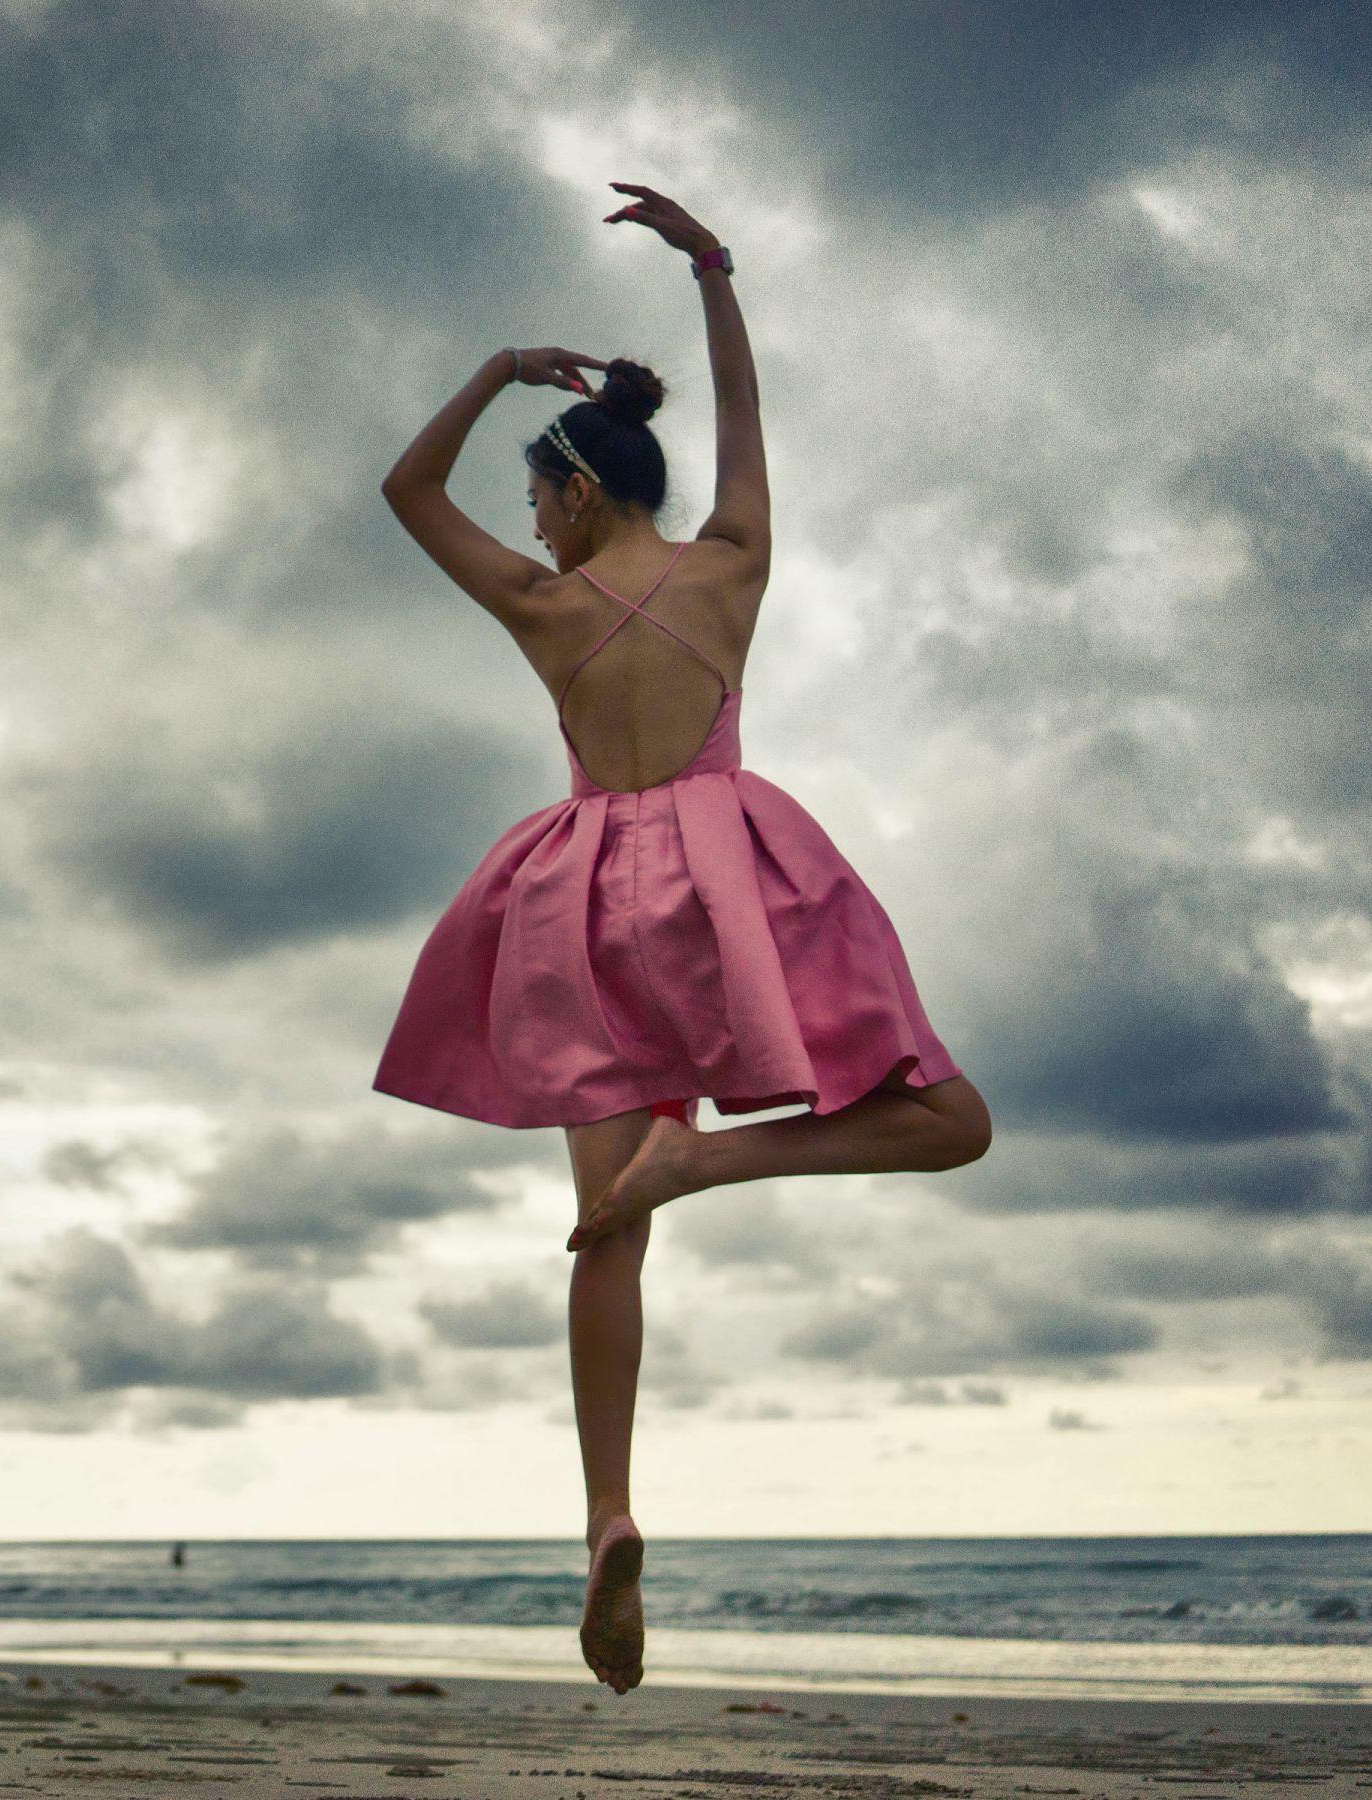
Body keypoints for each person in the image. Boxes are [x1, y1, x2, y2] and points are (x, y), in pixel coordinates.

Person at [369, 181, 995, 1696]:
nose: (527, 519)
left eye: (535, 495)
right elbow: (747, 411)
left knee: (605, 1241)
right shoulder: (732, 566)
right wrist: (713, 268)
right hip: (732, 883)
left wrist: (501, 369)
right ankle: (717, 1154)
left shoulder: (537, 602)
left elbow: (405, 490)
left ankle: (605, 1518)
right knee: (952, 1122)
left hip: (584, 908)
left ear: (575, 493)